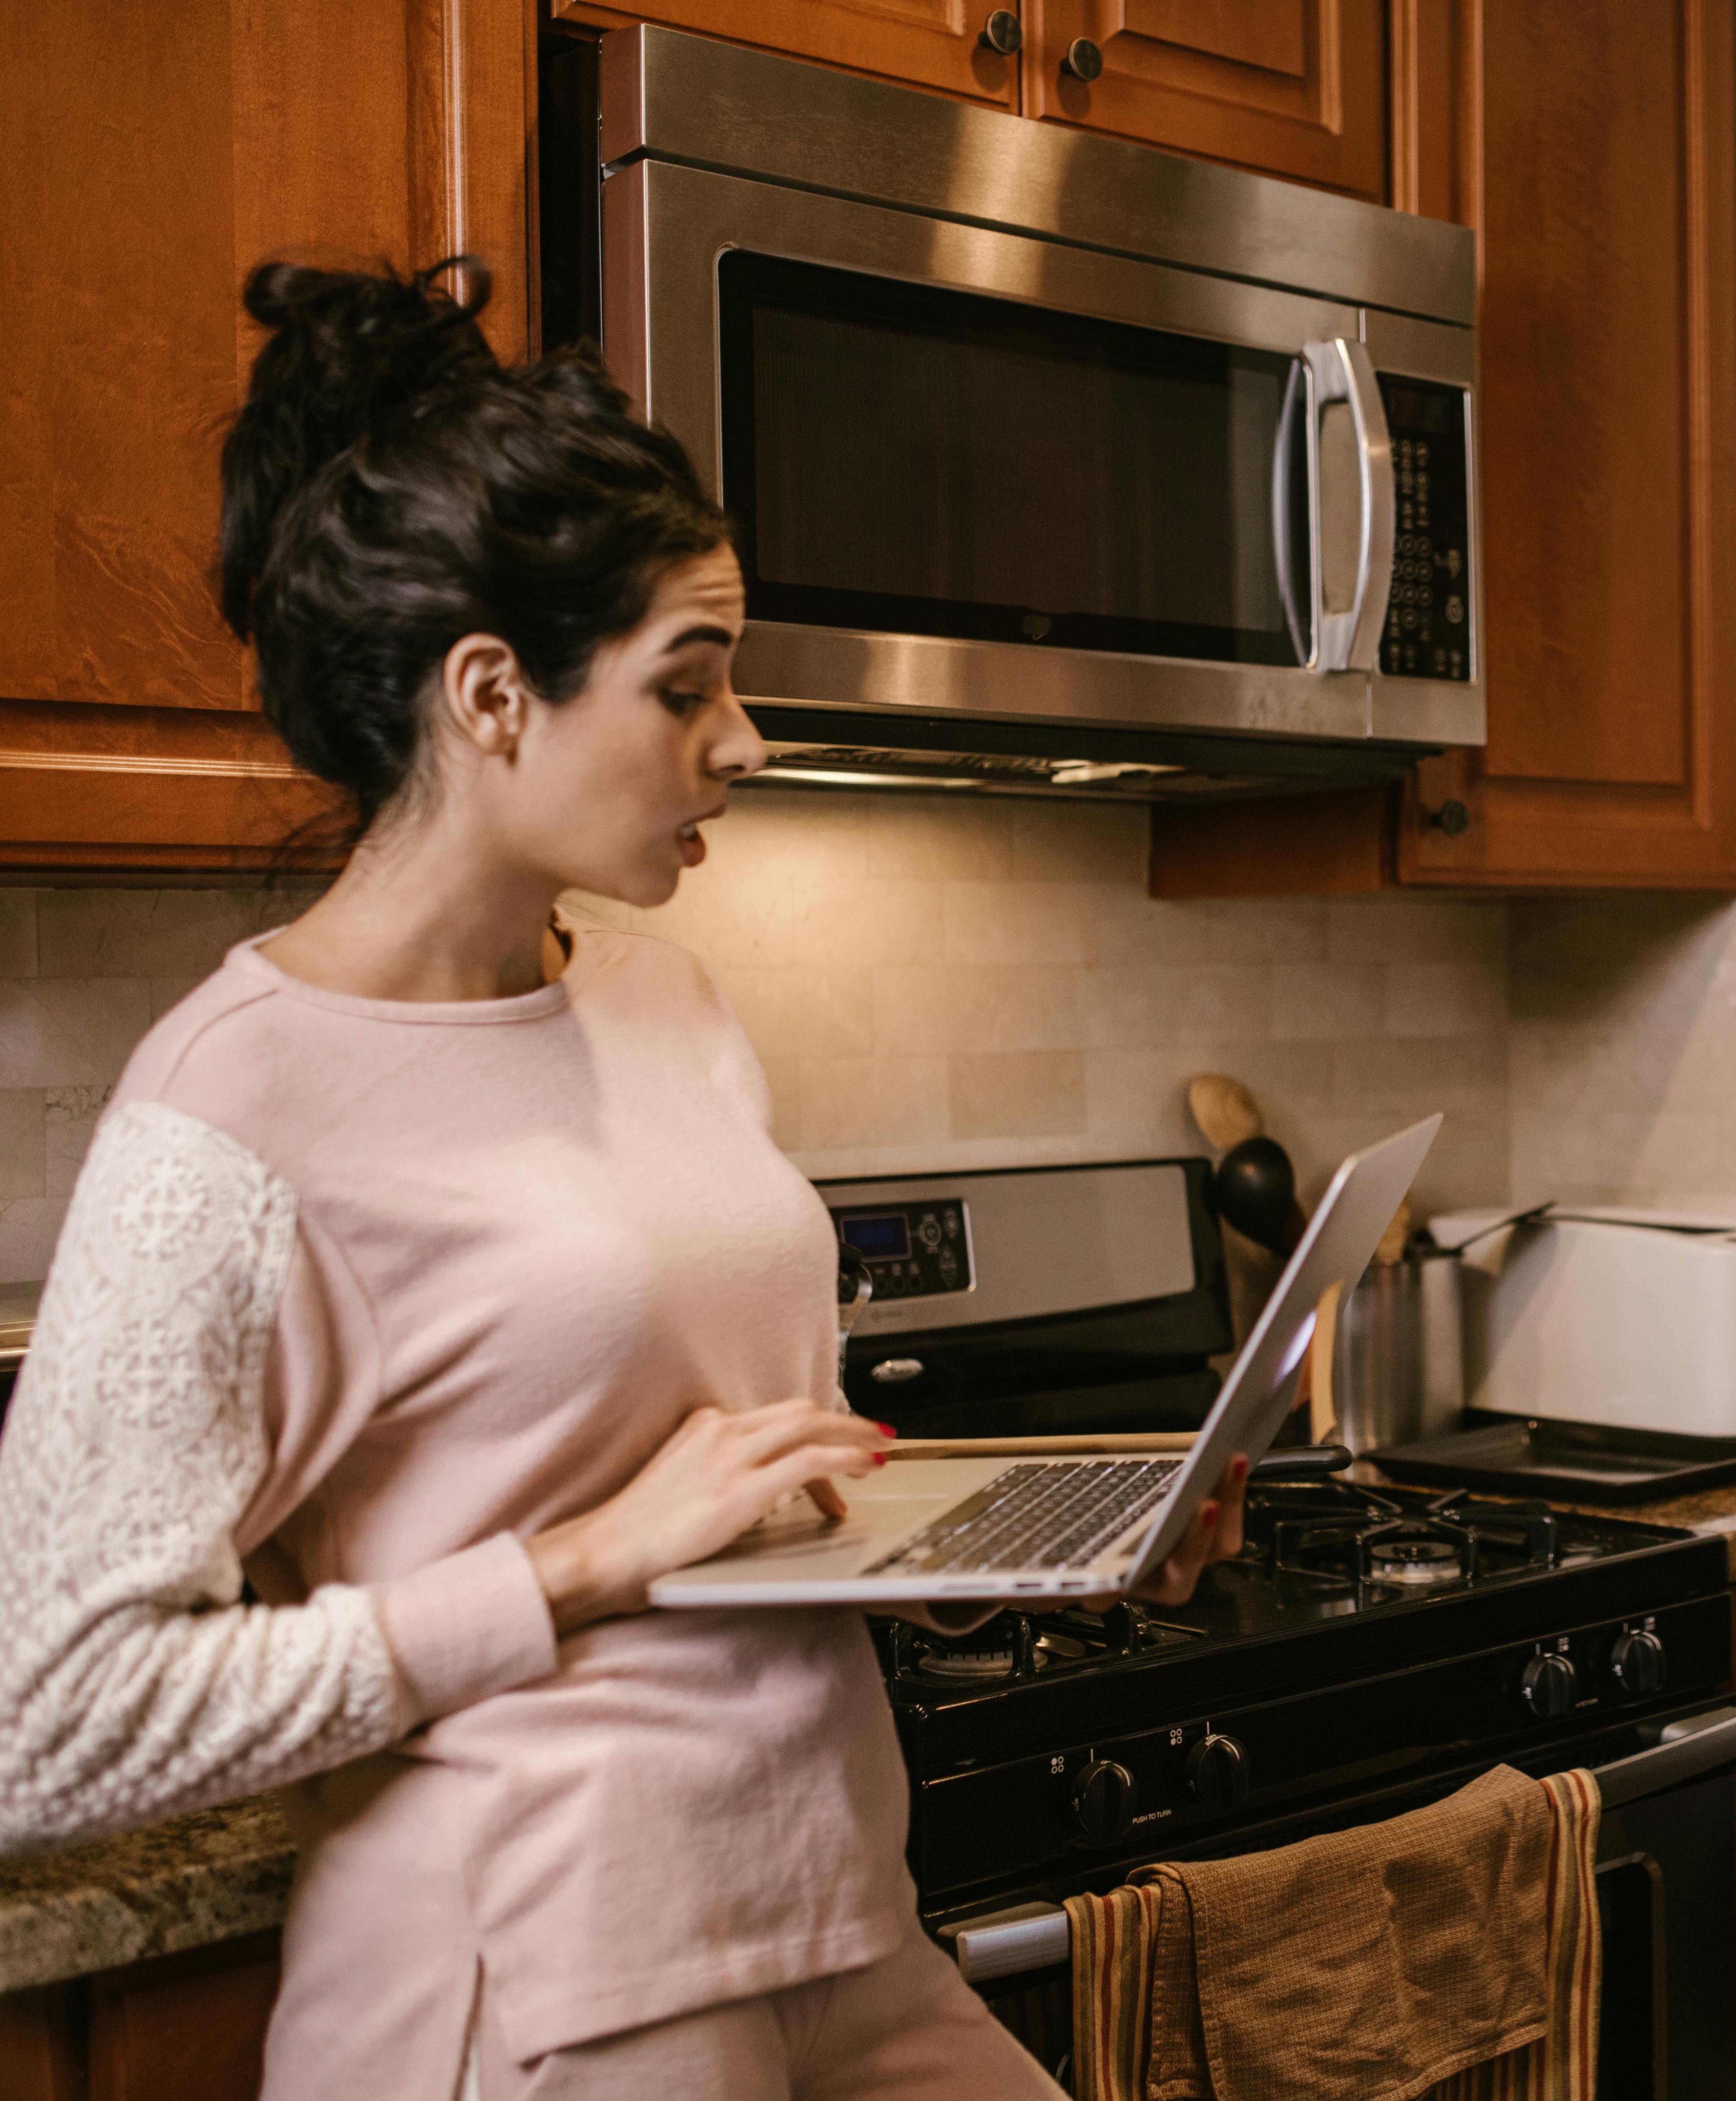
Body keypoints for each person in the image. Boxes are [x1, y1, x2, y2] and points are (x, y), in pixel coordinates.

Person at [0, 260, 1250, 2099]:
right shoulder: (228, 1109)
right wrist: (581, 1562)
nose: (743, 742)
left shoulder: (668, 1003)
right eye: (687, 685)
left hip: (837, 1915)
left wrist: (1020, 1569)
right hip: (535, 1981)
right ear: (493, 694)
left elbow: (749, 1494)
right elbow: (54, 1728)